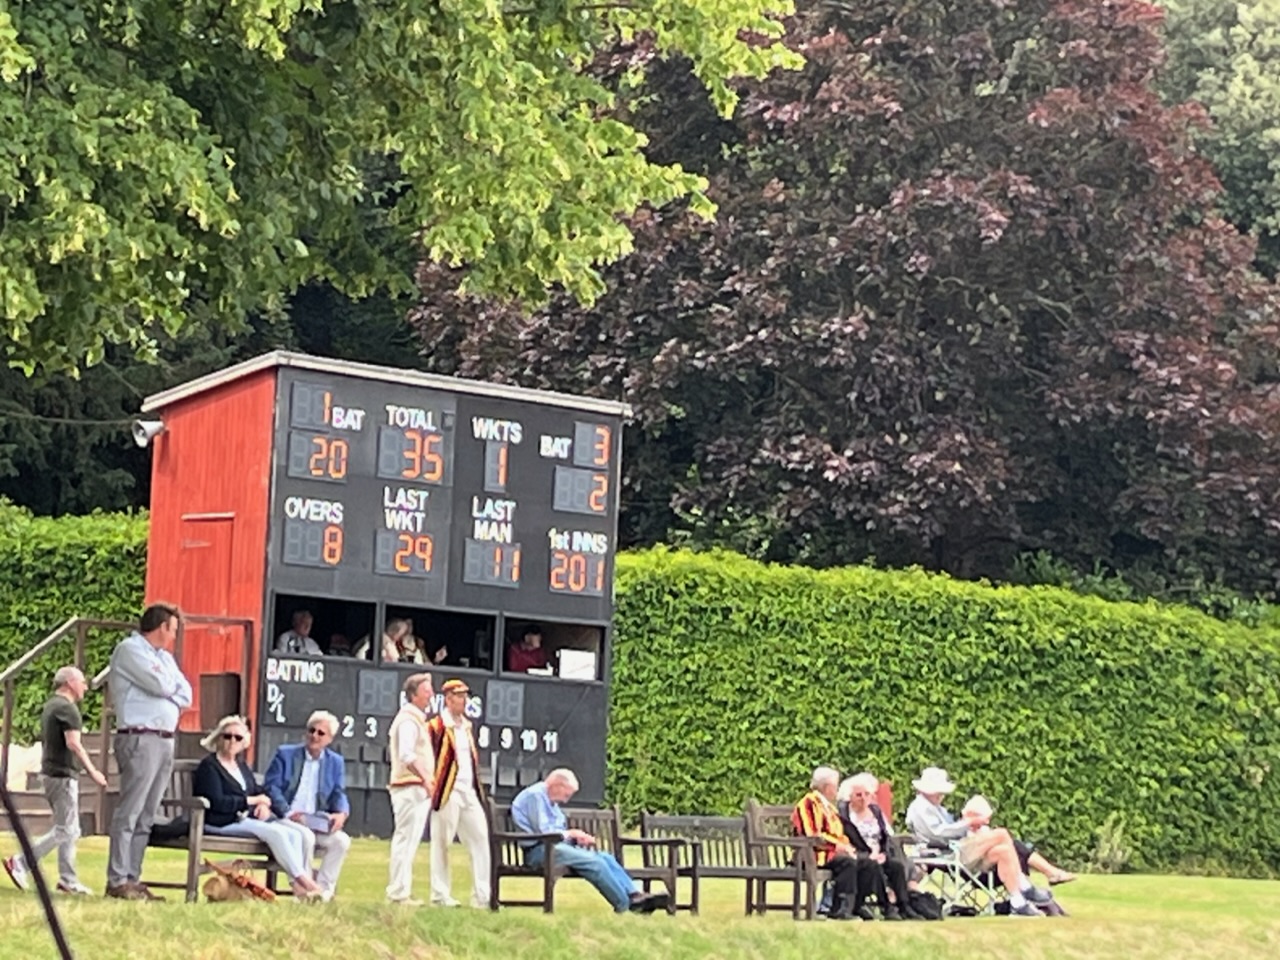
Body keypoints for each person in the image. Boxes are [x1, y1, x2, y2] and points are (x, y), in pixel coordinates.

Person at [106, 603, 191, 901]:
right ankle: (117, 878)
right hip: (140, 737)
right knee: (130, 810)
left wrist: (169, 689)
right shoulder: (130, 650)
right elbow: (160, 684)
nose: (174, 636)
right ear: (162, 627)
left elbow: (185, 692)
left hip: (165, 739)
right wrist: (168, 689)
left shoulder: (165, 658)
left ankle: (133, 876)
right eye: (173, 629)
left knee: (146, 814)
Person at [191, 715, 324, 900]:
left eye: (237, 737)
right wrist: (252, 801)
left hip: (243, 819)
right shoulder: (209, 766)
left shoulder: (240, 765)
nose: (232, 741)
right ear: (218, 738)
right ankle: (306, 883)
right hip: (220, 821)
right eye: (227, 736)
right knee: (276, 833)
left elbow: (256, 790)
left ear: (244, 742)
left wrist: (262, 802)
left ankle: (299, 889)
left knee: (294, 833)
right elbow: (217, 802)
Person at [3, 666, 108, 896]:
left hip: (51, 773)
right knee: (65, 830)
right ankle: (20, 862)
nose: (86, 687)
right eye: (82, 682)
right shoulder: (68, 710)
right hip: (62, 775)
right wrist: (93, 772)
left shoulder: (52, 705)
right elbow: (74, 743)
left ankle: (68, 880)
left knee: (70, 829)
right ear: (69, 682)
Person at [510, 768, 667, 914]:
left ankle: (636, 894)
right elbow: (544, 832)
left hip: (556, 848)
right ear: (557, 785)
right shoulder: (535, 796)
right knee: (594, 862)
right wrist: (571, 834)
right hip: (539, 852)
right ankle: (626, 905)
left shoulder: (550, 800)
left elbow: (558, 830)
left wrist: (575, 838)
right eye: (566, 795)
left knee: (605, 857)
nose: (566, 800)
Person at [905, 766, 1054, 917]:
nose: (942, 795)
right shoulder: (920, 808)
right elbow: (938, 834)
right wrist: (968, 822)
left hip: (956, 849)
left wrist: (968, 824)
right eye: (939, 792)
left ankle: (1018, 902)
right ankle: (1025, 887)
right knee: (1001, 834)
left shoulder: (934, 807)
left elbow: (949, 829)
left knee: (1004, 851)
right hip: (948, 853)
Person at [261, 710, 352, 901]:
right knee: (306, 837)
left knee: (341, 842)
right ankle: (305, 891)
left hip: (315, 820)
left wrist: (341, 813)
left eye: (321, 733)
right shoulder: (285, 755)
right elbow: (271, 787)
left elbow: (338, 792)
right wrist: (288, 812)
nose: (315, 736)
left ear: (330, 739)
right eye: (312, 730)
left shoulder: (335, 762)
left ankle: (324, 891)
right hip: (284, 819)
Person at [427, 679, 489, 908]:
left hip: (468, 790)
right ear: (448, 698)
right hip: (447, 790)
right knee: (442, 842)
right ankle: (440, 894)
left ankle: (482, 895)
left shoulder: (467, 726)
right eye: (459, 696)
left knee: (480, 839)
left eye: (465, 696)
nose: (464, 701)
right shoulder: (436, 726)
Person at [792, 766, 881, 920]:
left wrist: (848, 847)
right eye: (835, 786)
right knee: (847, 863)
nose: (837, 790)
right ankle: (840, 907)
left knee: (869, 863)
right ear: (827, 787)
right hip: (813, 854)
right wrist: (838, 846)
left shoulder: (828, 806)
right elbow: (812, 834)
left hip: (832, 851)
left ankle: (855, 905)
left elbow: (839, 833)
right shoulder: (809, 803)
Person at [836, 773, 918, 920]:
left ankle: (904, 905)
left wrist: (883, 853)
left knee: (896, 866)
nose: (863, 798)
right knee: (874, 867)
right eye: (858, 795)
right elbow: (843, 838)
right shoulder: (843, 814)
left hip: (879, 853)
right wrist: (868, 855)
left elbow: (886, 836)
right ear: (850, 797)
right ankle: (886, 906)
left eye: (867, 794)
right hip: (857, 855)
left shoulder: (875, 811)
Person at [385, 672, 434, 905]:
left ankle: (401, 890)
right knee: (405, 839)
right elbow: (406, 755)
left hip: (414, 787)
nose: (431, 695)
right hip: (408, 787)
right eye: (426, 691)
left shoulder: (416, 719)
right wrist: (425, 778)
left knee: (410, 840)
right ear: (414, 695)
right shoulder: (407, 720)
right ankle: (397, 892)